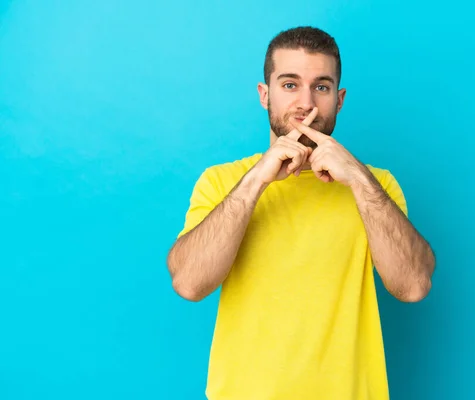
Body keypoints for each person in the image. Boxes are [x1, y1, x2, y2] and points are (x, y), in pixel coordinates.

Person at [167, 26, 435, 400]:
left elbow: (413, 286)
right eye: (289, 85)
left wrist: (357, 178)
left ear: (339, 99)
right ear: (265, 95)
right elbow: (189, 284)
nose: (306, 103)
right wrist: (257, 180)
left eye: (321, 87)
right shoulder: (221, 181)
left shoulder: (377, 186)